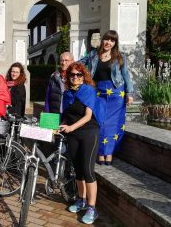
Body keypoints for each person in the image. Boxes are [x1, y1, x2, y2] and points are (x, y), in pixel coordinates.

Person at [79, 30, 134, 165]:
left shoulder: (119, 57)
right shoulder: (93, 55)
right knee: (100, 122)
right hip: (98, 92)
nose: (108, 42)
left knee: (112, 125)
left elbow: (126, 75)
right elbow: (79, 64)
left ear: (115, 43)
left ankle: (108, 154)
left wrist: (130, 93)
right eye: (107, 39)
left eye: (112, 40)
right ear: (102, 40)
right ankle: (100, 151)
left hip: (116, 94)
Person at [60, 62, 101, 225]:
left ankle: (92, 208)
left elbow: (87, 116)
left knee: (88, 170)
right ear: (68, 77)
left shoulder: (88, 90)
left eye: (79, 75)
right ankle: (81, 200)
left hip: (89, 133)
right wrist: (61, 125)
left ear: (84, 76)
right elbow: (66, 115)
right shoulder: (67, 93)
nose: (75, 77)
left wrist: (71, 127)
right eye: (72, 75)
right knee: (78, 169)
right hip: (73, 134)